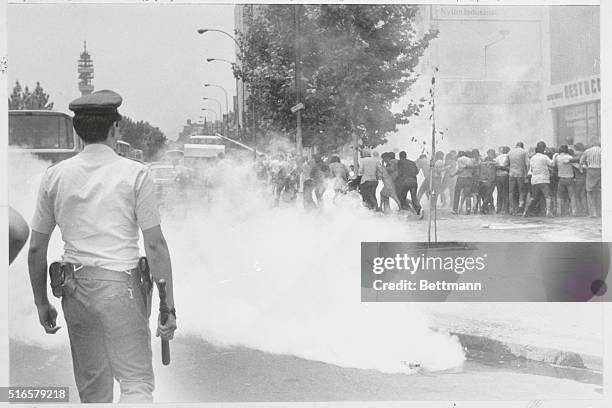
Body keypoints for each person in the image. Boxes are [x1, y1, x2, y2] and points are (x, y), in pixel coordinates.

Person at [27, 90, 176, 403]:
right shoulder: (136, 174)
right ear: (115, 128)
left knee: (94, 393)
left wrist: (42, 303)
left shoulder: (54, 177)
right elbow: (156, 246)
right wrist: (167, 308)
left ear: (77, 132)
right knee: (136, 385)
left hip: (75, 291)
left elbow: (36, 249)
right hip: (121, 290)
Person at [524, 141, 554, 217]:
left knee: (533, 197)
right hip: (544, 180)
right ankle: (548, 212)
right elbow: (552, 164)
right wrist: (555, 156)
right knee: (547, 196)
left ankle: (525, 211)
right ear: (543, 149)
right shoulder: (544, 157)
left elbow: (531, 169)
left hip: (534, 180)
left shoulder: (532, 158)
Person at [553, 145, 578, 216]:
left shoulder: (557, 157)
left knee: (559, 195)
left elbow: (554, 165)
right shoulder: (570, 157)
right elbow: (575, 165)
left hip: (561, 178)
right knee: (572, 195)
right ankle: (574, 211)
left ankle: (559, 212)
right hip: (570, 178)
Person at [507, 142, 530, 215]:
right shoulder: (524, 152)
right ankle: (520, 207)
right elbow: (527, 163)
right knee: (521, 191)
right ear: (522, 146)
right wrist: (526, 173)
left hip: (511, 174)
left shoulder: (510, 152)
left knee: (511, 192)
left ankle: (511, 208)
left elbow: (505, 163)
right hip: (520, 174)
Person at [580, 142, 601, 217]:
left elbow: (581, 162)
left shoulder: (587, 151)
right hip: (600, 171)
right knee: (599, 192)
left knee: (589, 191)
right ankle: (600, 212)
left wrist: (584, 167)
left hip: (590, 171)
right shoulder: (602, 150)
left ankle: (592, 213)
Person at [572, 143, 588, 216]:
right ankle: (585, 211)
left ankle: (579, 210)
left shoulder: (576, 155)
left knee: (576, 195)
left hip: (578, 178)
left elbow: (574, 162)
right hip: (585, 177)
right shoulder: (585, 154)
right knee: (583, 195)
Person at [494, 146, 510, 215]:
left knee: (499, 193)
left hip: (498, 176)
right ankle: (506, 209)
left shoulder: (497, 157)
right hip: (505, 176)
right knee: (505, 193)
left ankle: (498, 209)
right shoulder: (508, 157)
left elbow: (495, 166)